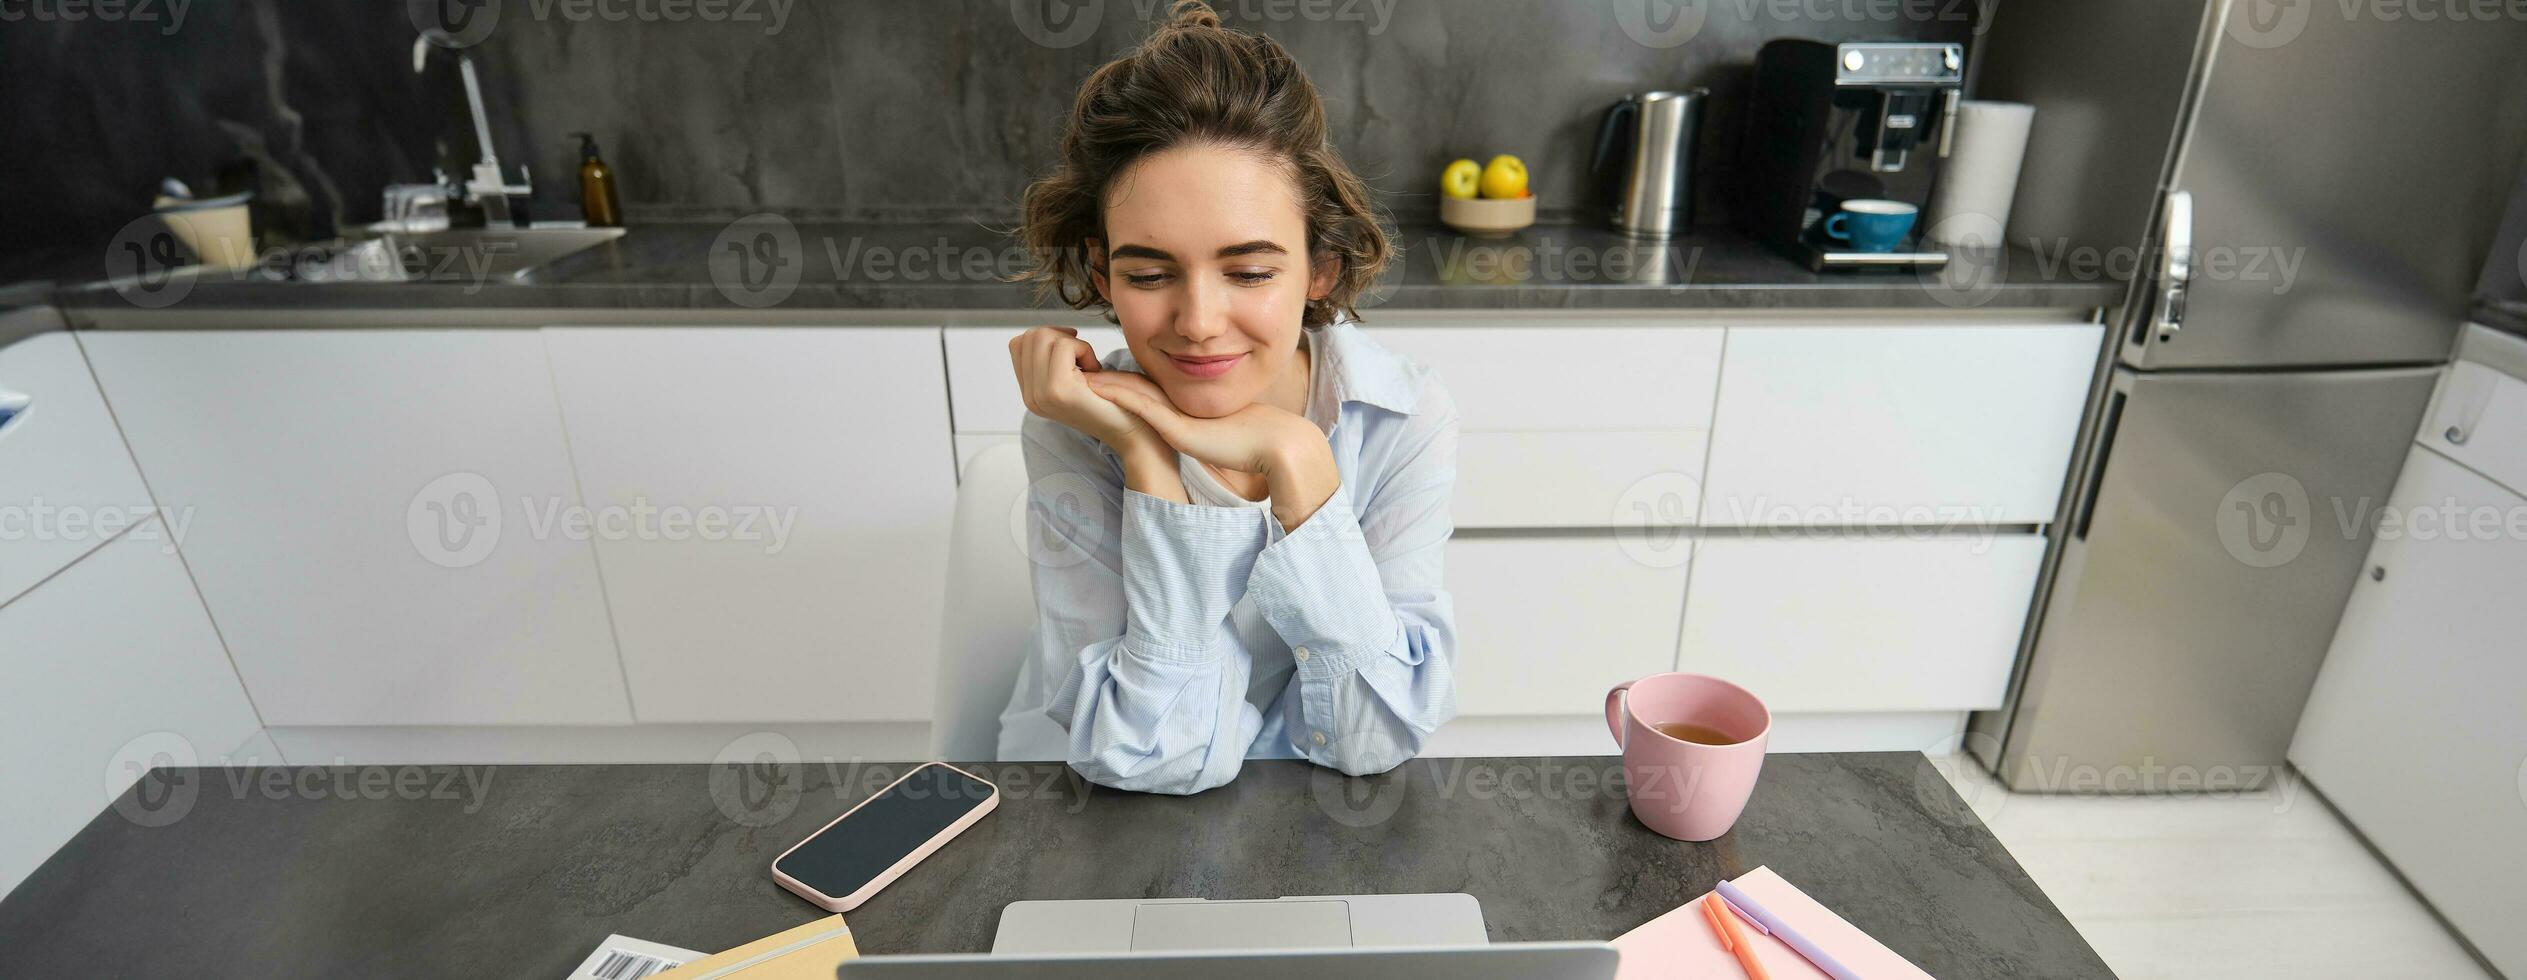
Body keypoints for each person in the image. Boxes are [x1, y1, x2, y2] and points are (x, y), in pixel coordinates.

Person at [995, 0, 1460, 795]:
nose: (1198, 324)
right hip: (1102, 812)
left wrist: (1301, 461)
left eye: (1248, 272)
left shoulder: (1400, 419)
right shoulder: (1081, 426)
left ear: (1320, 268)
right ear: (1102, 274)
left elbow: (1372, 738)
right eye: (1147, 274)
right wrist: (1148, 457)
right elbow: (1147, 756)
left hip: (1309, 806)